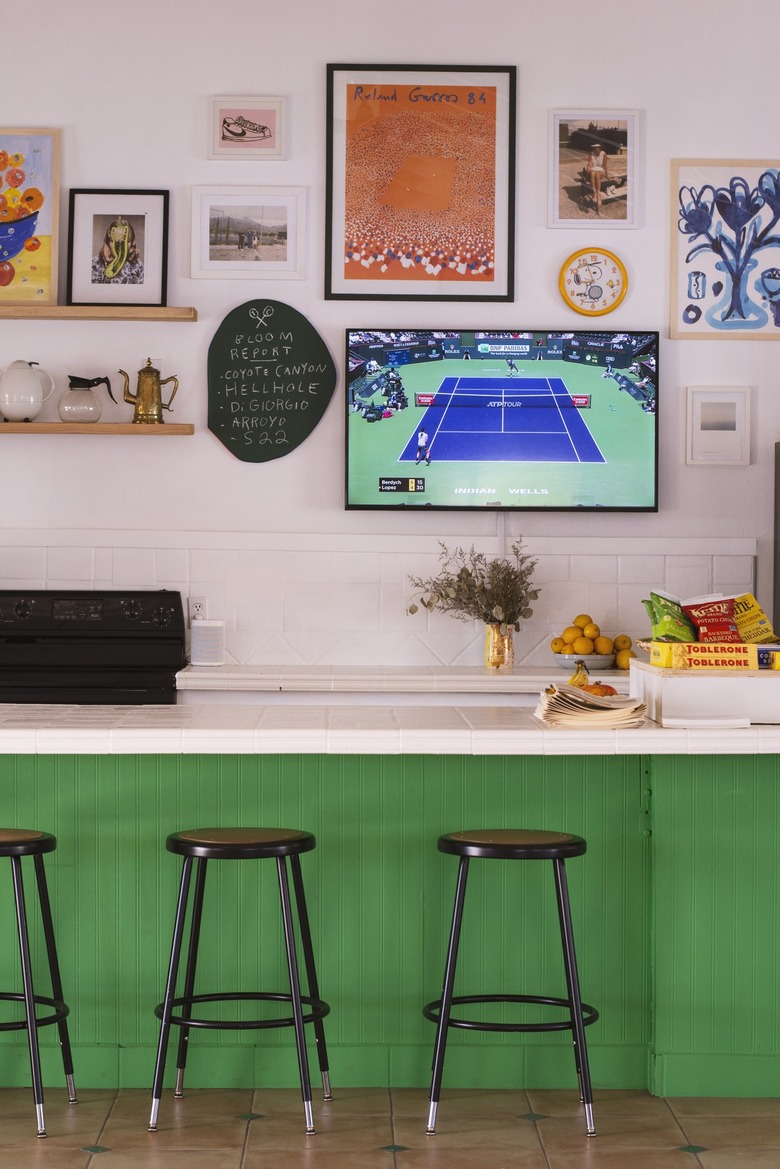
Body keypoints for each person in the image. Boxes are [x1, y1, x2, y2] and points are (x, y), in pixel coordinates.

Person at [586, 142, 609, 215]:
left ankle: (597, 194)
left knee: (597, 175)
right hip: (593, 169)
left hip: (600, 170)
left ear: (600, 148)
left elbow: (605, 166)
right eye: (594, 147)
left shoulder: (604, 154)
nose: (595, 149)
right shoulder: (591, 153)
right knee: (593, 173)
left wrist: (607, 175)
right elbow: (589, 164)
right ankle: (595, 193)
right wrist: (587, 175)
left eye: (597, 147)